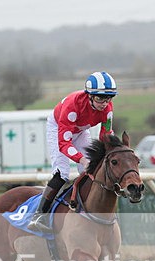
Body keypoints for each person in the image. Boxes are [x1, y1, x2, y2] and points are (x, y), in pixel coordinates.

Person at [27, 71, 116, 232]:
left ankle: (89, 210)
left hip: (80, 130)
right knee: (63, 172)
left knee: (91, 170)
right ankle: (39, 216)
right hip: (59, 129)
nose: (104, 103)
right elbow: (64, 143)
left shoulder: (107, 108)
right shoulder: (72, 106)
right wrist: (82, 159)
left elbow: (106, 136)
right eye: (100, 98)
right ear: (89, 95)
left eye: (108, 97)